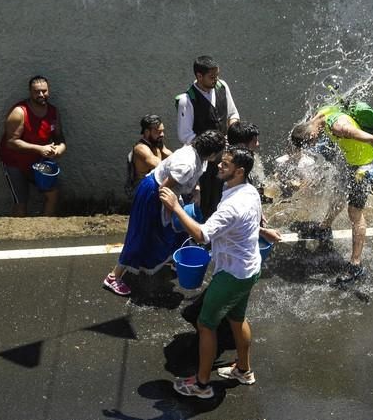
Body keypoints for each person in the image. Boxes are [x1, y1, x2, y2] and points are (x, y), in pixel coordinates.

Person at [160, 147, 262, 399]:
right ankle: (244, 370)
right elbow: (252, 223)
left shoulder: (233, 206)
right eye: (221, 162)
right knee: (237, 319)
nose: (219, 166)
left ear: (239, 171)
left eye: (225, 165)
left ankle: (201, 385)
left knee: (206, 325)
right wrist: (265, 232)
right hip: (249, 269)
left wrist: (176, 207)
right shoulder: (249, 190)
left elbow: (202, 235)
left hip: (232, 275)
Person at [290, 104, 373, 284]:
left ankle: (355, 266)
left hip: (364, 166)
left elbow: (370, 138)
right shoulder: (319, 116)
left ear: (313, 136)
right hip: (349, 160)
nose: (313, 145)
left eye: (311, 143)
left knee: (354, 212)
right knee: (338, 195)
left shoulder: (340, 128)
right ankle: (324, 228)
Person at [103, 130, 226, 296]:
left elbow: (195, 176)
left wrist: (196, 191)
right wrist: (174, 210)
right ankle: (113, 277)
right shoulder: (187, 164)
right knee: (141, 235)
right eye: (219, 154)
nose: (220, 159)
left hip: (169, 194)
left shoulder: (198, 153)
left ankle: (175, 261)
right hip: (153, 193)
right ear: (211, 153)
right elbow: (164, 188)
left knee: (178, 231)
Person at [176, 55, 240, 219]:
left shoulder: (222, 86)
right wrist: (211, 149)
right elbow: (185, 135)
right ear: (199, 76)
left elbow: (232, 114)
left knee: (226, 197)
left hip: (225, 155)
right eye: (212, 77)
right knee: (206, 201)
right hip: (204, 160)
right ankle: (204, 238)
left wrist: (233, 132)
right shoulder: (187, 100)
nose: (216, 80)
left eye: (217, 75)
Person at [0, 75, 67, 216]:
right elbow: (11, 142)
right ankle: (19, 235)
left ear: (49, 91)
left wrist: (60, 148)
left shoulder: (53, 112)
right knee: (21, 202)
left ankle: (44, 231)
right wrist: (40, 149)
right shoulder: (19, 112)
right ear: (30, 92)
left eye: (44, 91)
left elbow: (59, 137)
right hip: (15, 163)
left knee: (53, 194)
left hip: (38, 163)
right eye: (37, 92)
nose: (41, 95)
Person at [127, 114, 172, 192]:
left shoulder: (156, 143)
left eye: (162, 131)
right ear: (147, 132)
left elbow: (171, 156)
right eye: (158, 132)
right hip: (142, 190)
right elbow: (160, 166)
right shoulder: (141, 149)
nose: (162, 134)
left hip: (153, 186)